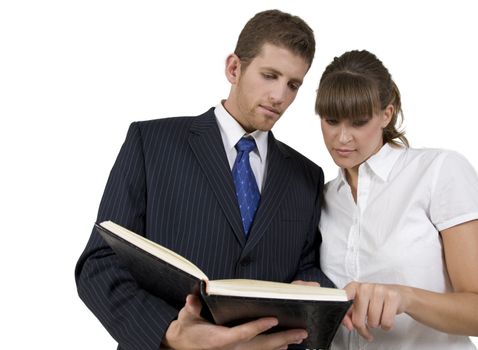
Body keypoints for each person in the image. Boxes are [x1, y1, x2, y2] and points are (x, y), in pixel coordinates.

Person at [75, 9, 333, 350]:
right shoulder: (151, 143)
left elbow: (306, 266)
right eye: (270, 75)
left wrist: (322, 293)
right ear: (234, 68)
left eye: (293, 85)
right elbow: (100, 262)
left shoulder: (307, 175)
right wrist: (170, 333)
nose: (280, 96)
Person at [315, 50, 478, 349]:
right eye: (331, 120)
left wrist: (407, 297)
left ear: (386, 115)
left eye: (359, 122)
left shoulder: (439, 171)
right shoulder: (322, 198)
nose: (342, 138)